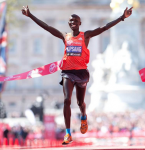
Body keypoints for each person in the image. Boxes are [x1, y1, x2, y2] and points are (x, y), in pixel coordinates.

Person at [21, 5, 133, 145]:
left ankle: (84, 117)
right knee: (67, 100)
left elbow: (104, 27)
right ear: (69, 24)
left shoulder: (86, 35)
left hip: (81, 73)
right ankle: (68, 133)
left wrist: (122, 17)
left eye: (75, 20)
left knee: (81, 103)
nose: (73, 22)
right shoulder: (65, 36)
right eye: (70, 20)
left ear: (80, 23)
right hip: (67, 72)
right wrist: (30, 15)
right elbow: (47, 27)